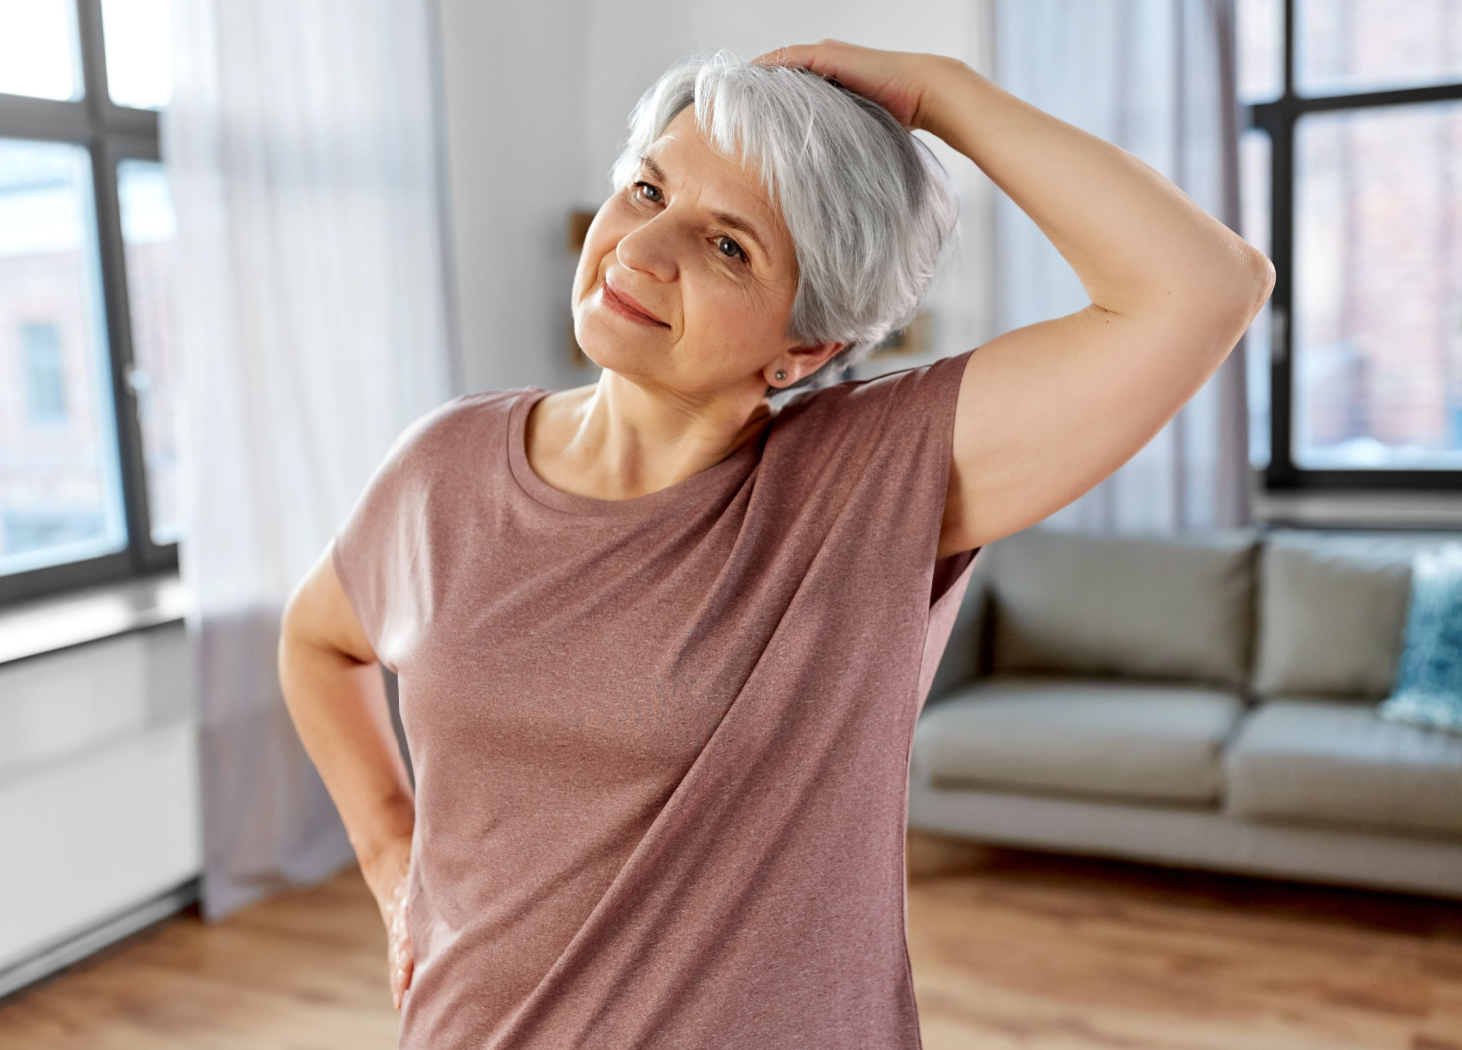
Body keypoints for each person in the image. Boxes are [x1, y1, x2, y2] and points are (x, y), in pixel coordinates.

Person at [277, 41, 1273, 1049]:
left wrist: (943, 95)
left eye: (728, 248)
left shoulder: (869, 480)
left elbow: (1204, 287)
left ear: (807, 346)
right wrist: (387, 850)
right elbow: (317, 642)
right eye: (646, 189)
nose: (641, 248)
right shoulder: (443, 467)